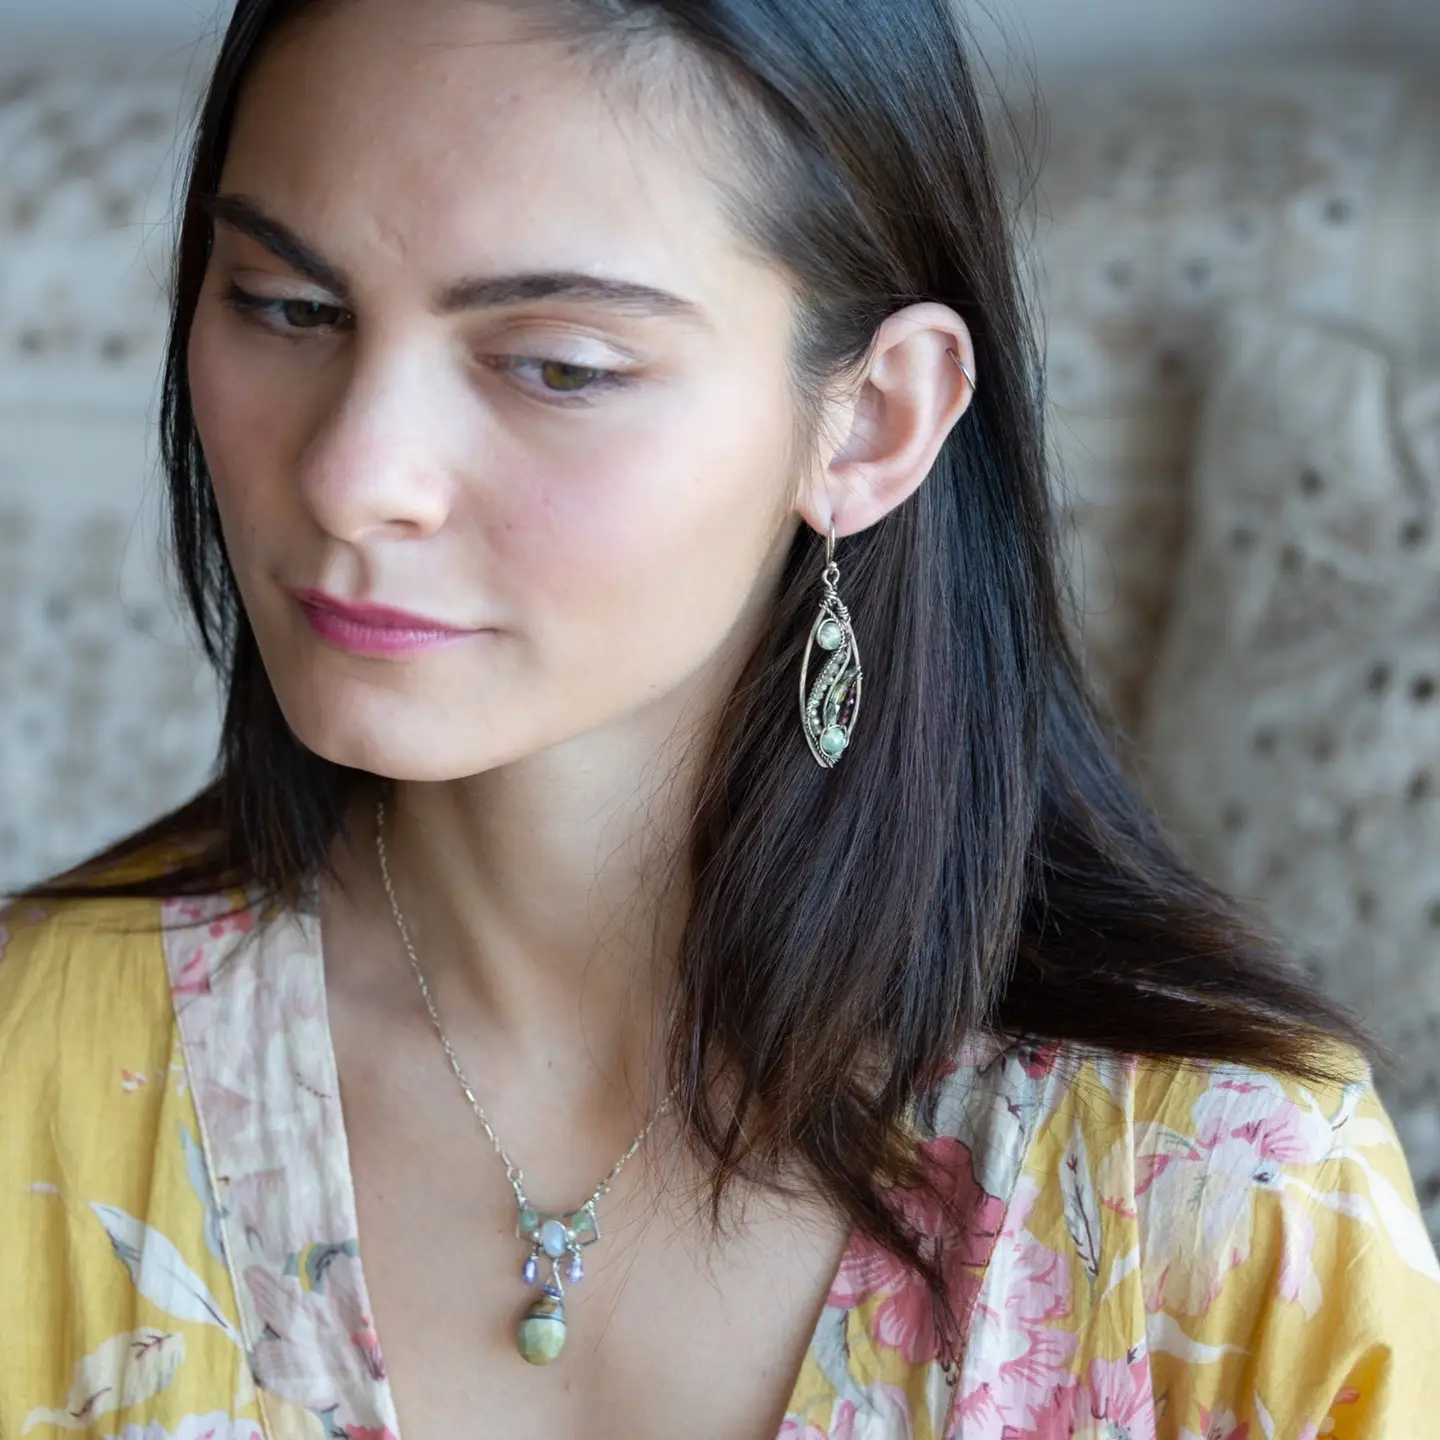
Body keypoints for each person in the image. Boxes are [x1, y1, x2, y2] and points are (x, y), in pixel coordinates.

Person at [2, 0, 1438, 1434]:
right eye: (287, 307)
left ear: (875, 419)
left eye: (559, 365)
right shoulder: (35, 1075)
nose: (352, 475)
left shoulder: (1226, 1197)